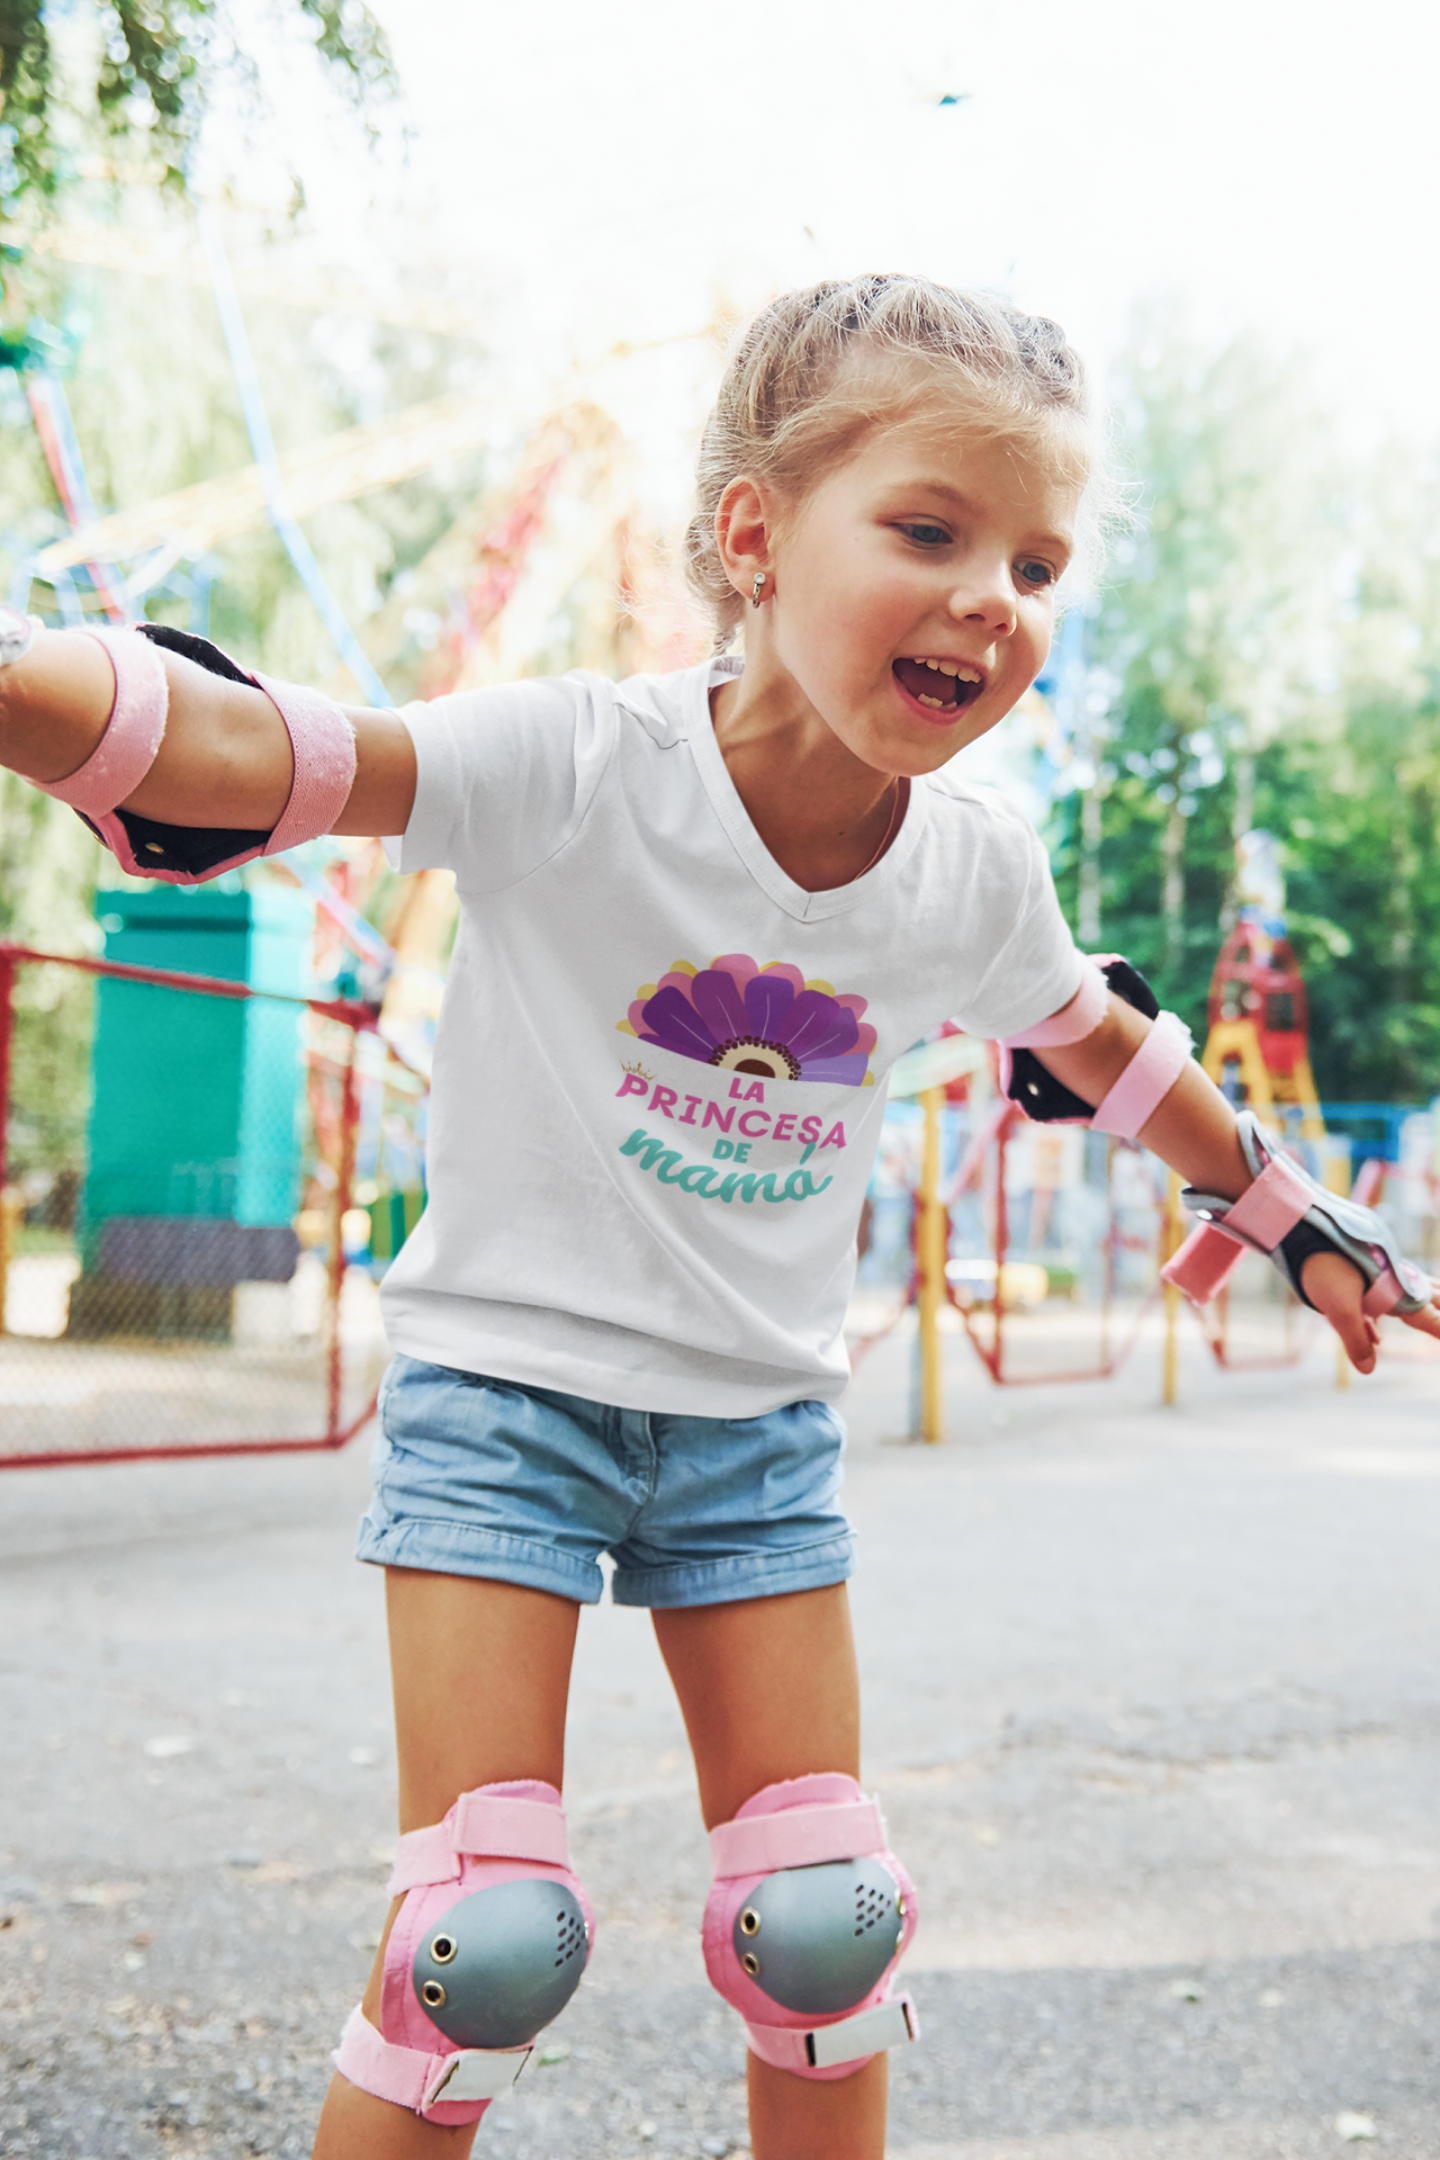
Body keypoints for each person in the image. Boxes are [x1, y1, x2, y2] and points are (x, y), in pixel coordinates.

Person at [3, 274, 1436, 2160]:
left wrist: (1291, 1217)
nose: (991, 597)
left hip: (756, 1440)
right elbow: (269, 756)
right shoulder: (582, 763)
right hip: (505, 1406)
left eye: (1035, 560)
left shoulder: (972, 869)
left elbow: (1105, 1046)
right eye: (929, 529)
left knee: (827, 1929)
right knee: (482, 1941)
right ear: (755, 535)